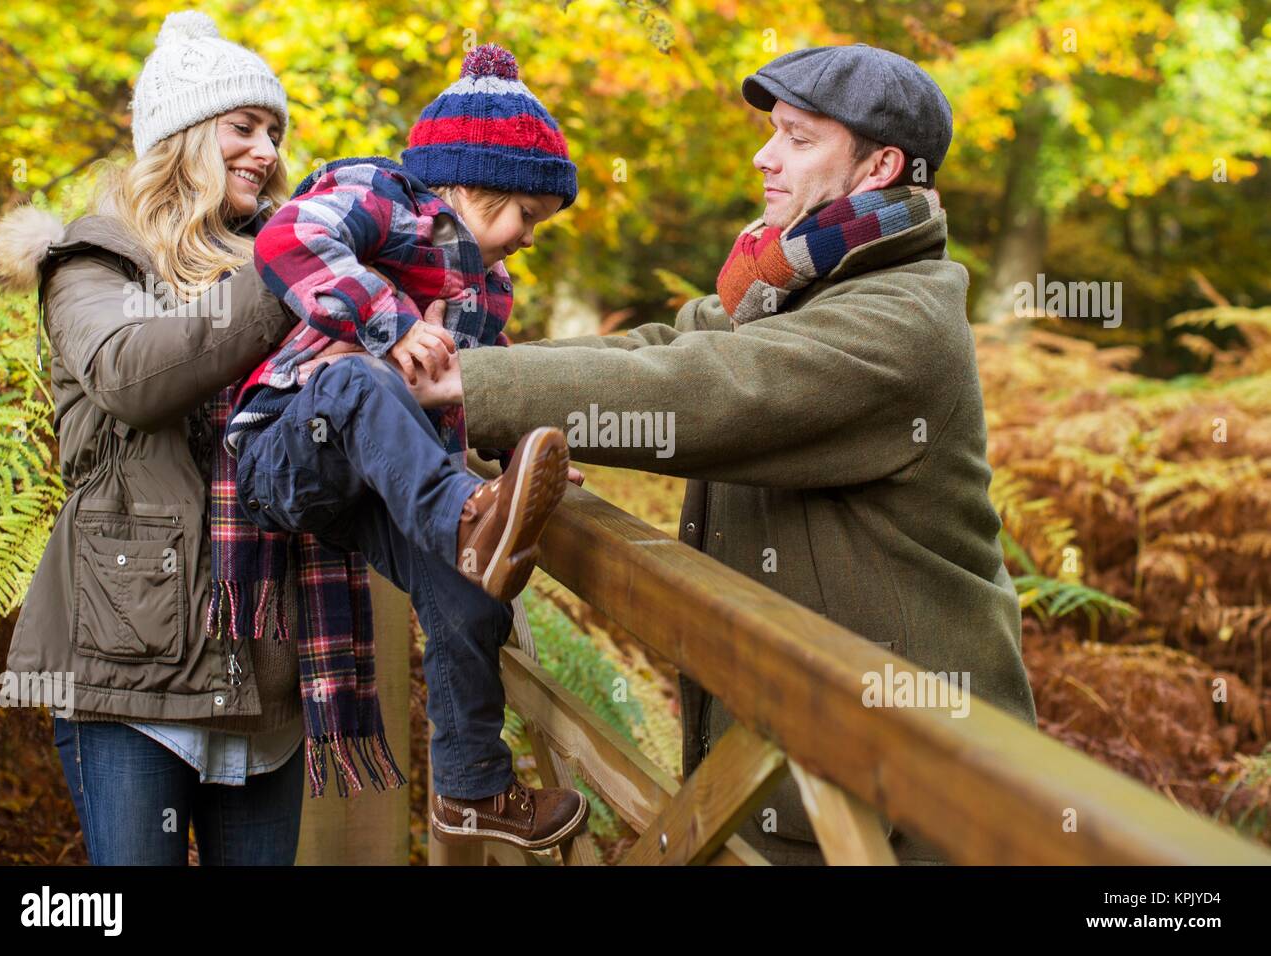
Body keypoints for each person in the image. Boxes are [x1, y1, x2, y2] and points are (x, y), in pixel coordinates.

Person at [370, 44, 1041, 866]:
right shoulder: (795, 281)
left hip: (912, 793)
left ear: (881, 166)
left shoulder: (902, 319)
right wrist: (487, 392)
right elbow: (663, 345)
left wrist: (459, 384)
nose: (765, 155)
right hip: (806, 766)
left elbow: (709, 386)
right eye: (772, 133)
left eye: (797, 138)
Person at [224, 43, 590, 852]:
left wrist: (529, 464)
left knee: (468, 594)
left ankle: (472, 787)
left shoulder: (487, 290)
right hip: (286, 445)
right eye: (527, 217)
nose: (530, 238)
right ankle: (468, 522)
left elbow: (461, 404)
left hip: (379, 487)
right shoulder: (385, 196)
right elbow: (288, 239)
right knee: (363, 383)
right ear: (475, 185)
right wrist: (388, 323)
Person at [0, 10, 312, 864]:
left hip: (265, 667)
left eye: (274, 131)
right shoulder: (91, 265)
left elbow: (361, 399)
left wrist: (475, 458)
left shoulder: (280, 265)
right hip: (126, 670)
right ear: (182, 139)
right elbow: (138, 376)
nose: (268, 150)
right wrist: (290, 274)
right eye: (244, 127)